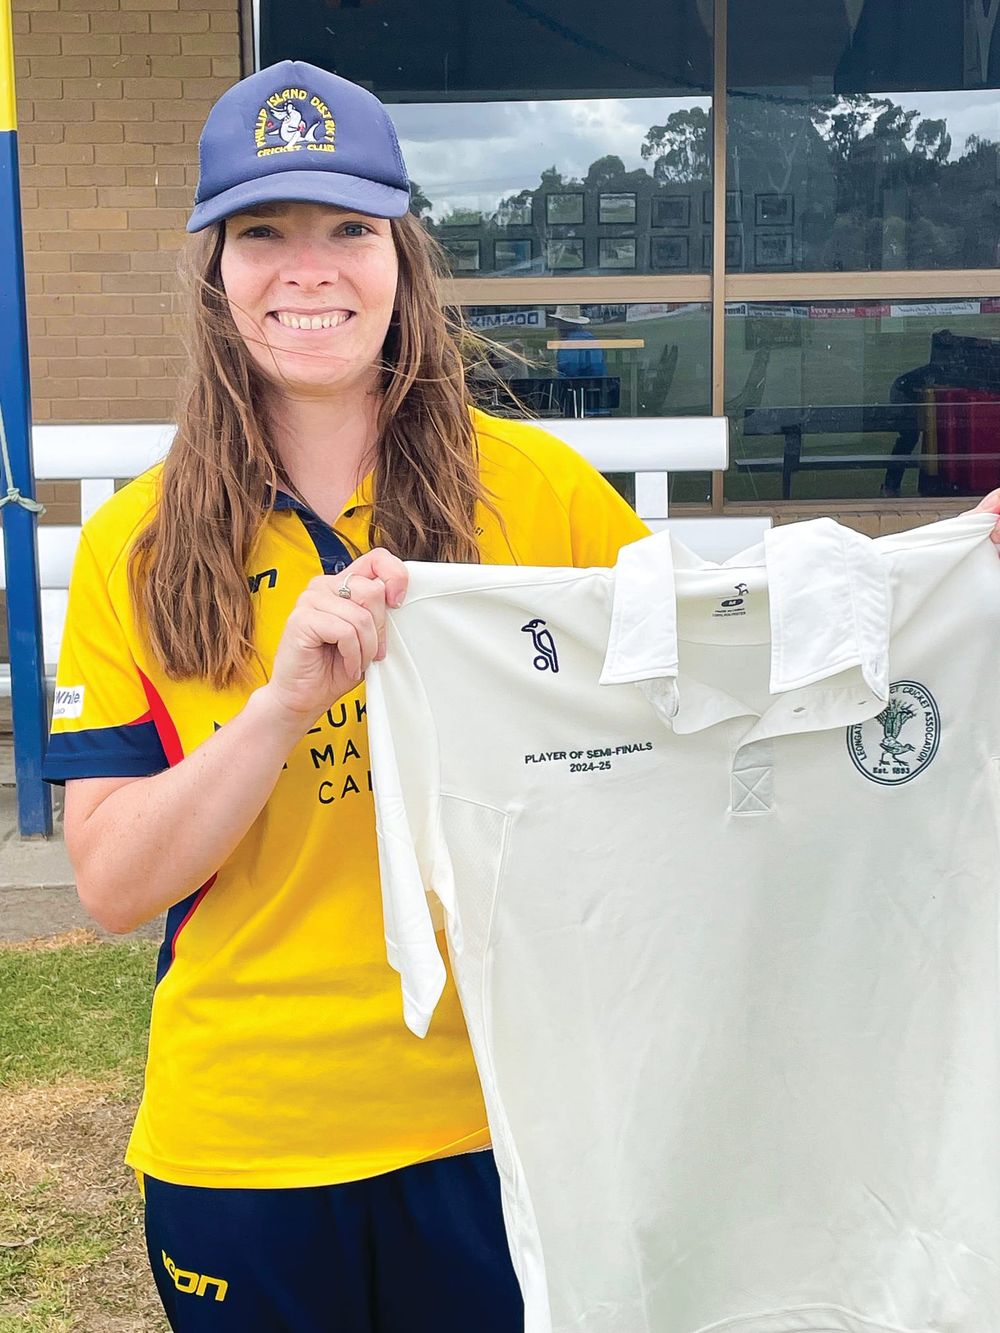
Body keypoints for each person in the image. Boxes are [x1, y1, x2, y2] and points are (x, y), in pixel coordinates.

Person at [42, 60, 648, 1333]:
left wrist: (944, 582)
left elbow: (723, 673)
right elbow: (109, 885)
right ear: (215, 271)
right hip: (244, 1141)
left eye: (348, 230)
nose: (306, 269)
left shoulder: (535, 494)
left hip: (498, 1119)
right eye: (263, 232)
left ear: (401, 260)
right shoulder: (137, 545)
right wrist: (275, 710)